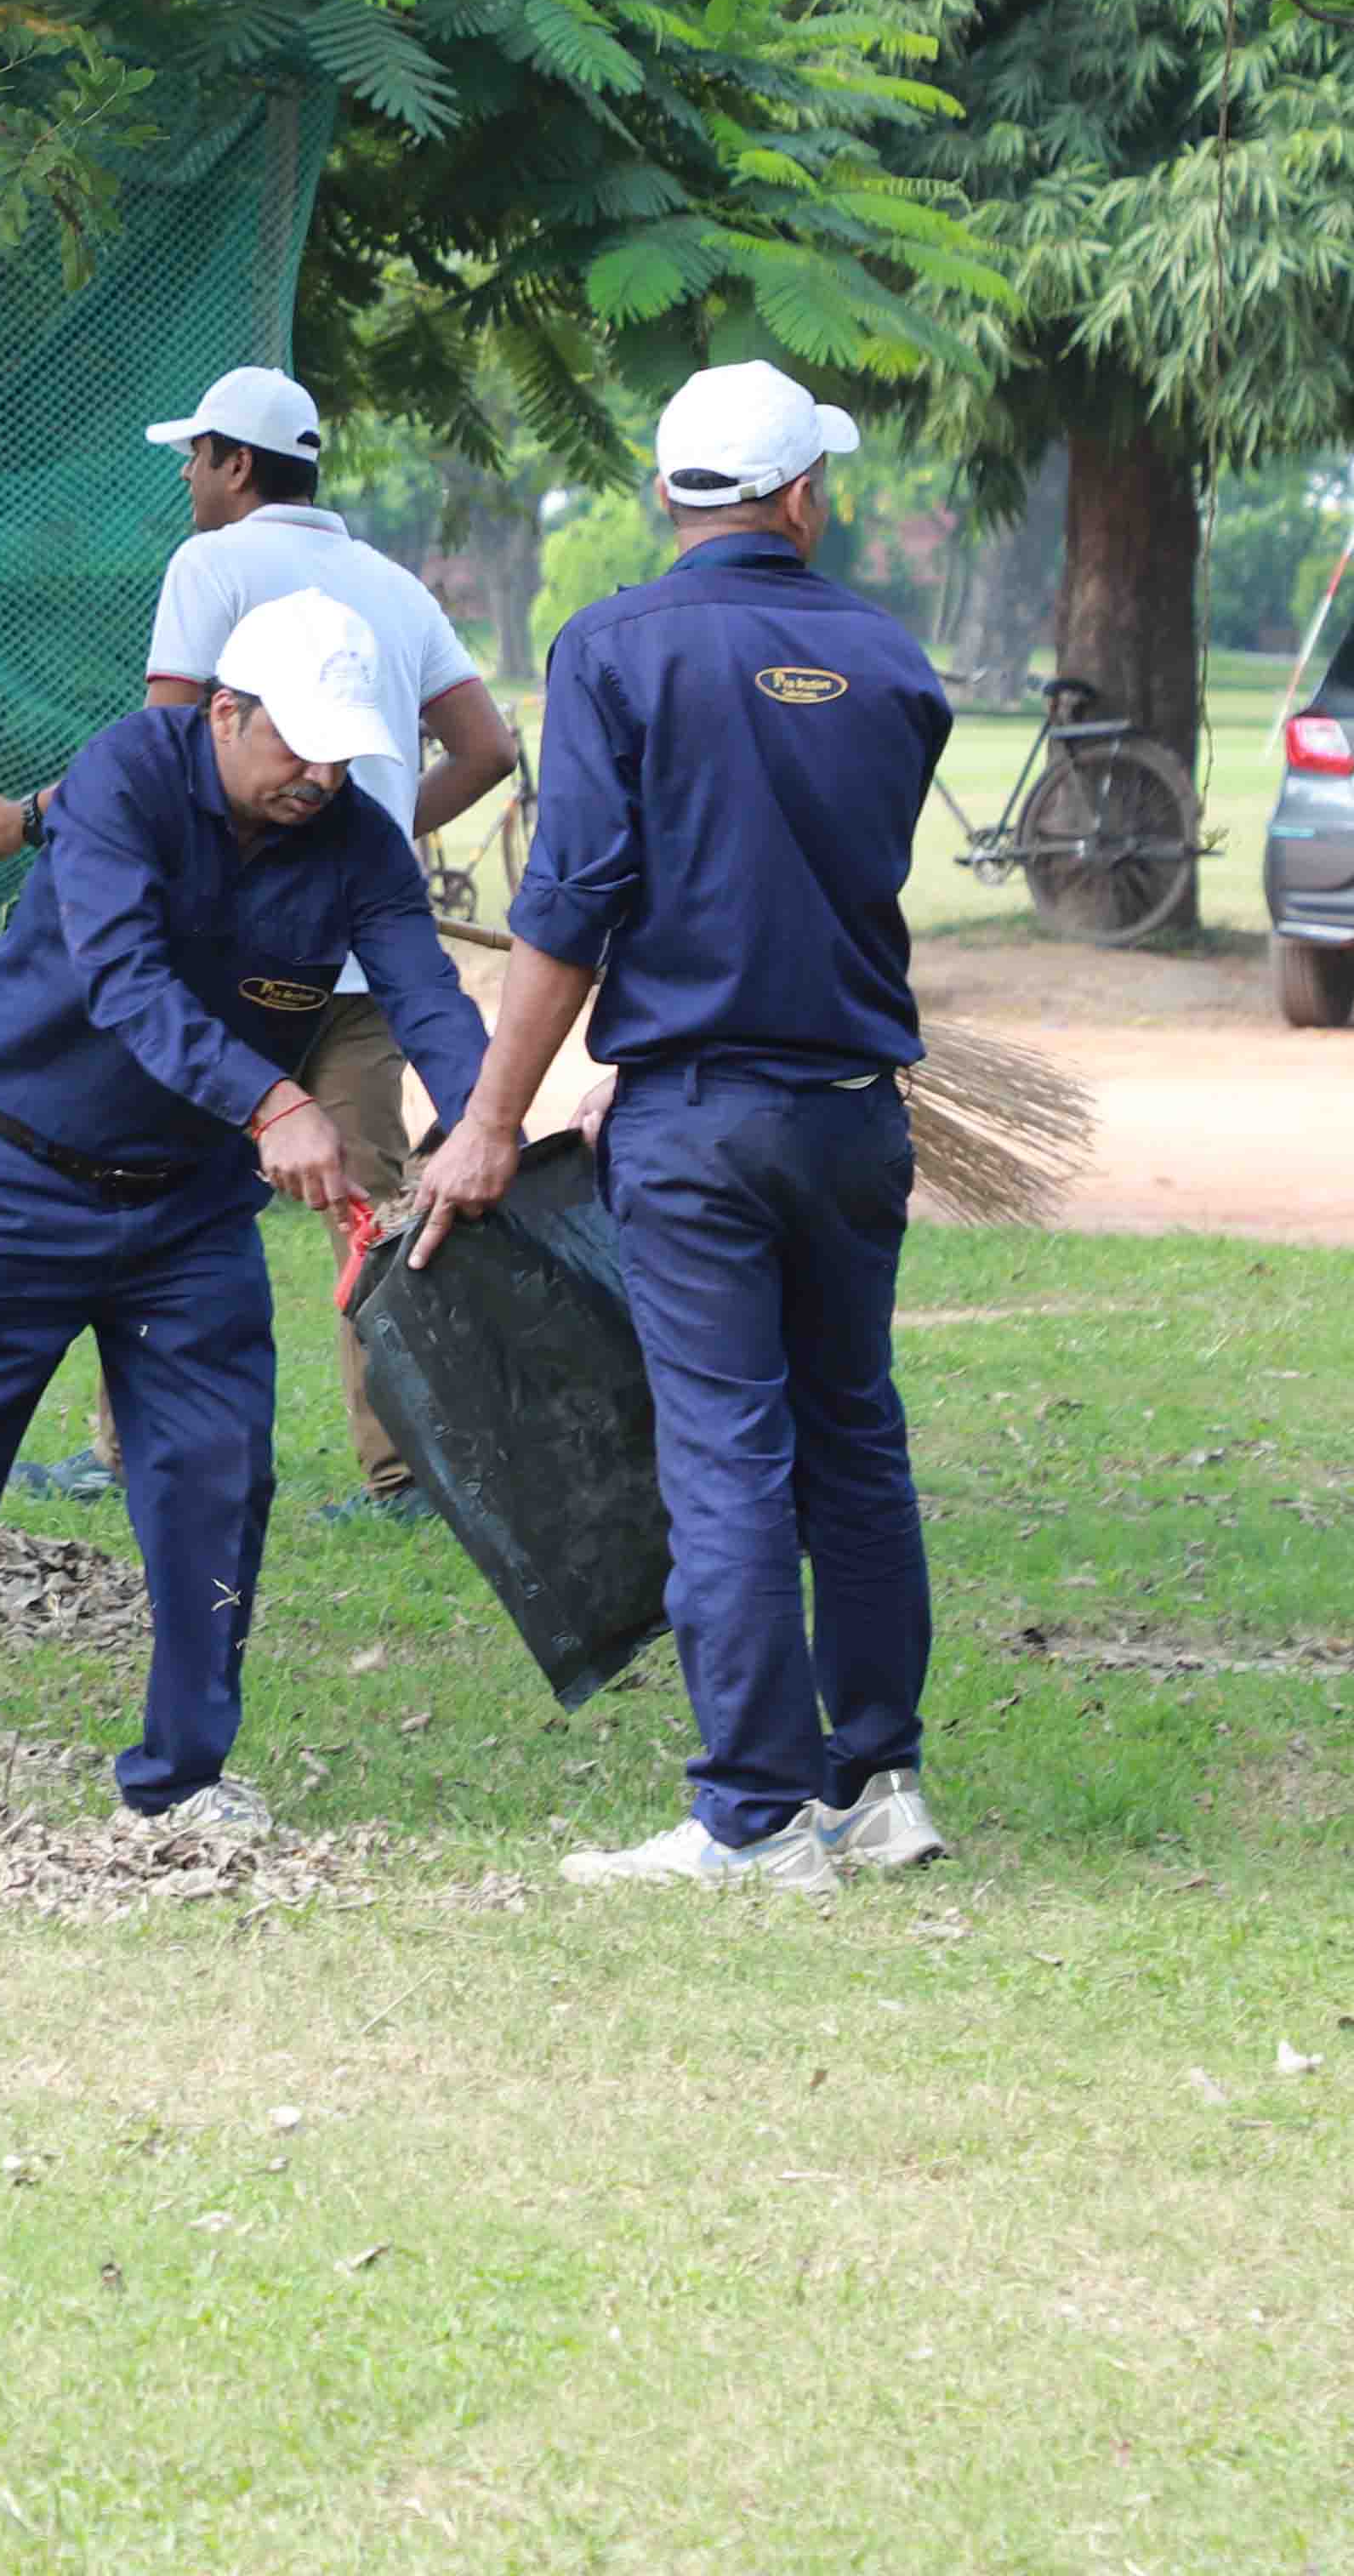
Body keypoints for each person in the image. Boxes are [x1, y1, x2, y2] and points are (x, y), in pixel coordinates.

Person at [0, 589, 493, 1849]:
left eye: (344, 755)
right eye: (298, 745)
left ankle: (183, 1777)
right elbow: (124, 977)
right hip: (10, 1181)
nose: (322, 776)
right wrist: (276, 1100)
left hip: (188, 1213)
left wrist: (488, 1121)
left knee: (216, 1483)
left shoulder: (355, 838)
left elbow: (426, 991)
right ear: (226, 713)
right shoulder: (123, 777)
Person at [408, 362, 953, 1892]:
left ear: (668, 495)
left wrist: (492, 1119)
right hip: (851, 1120)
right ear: (802, 499)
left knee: (727, 1456)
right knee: (855, 1441)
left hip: (699, 1127)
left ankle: (756, 1820)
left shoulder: (615, 648)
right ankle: (879, 1785)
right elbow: (806, 877)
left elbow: (573, 903)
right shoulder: (895, 662)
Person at [0, 363, 522, 1521]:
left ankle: (130, 1455)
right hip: (347, 980)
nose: (186, 477)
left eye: (195, 456)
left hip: (221, 975)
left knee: (156, 1171)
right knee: (377, 1210)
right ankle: (402, 1475)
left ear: (236, 463)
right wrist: (363, 847)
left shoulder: (209, 564)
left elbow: (156, 761)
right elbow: (488, 749)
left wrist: (25, 821)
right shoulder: (394, 584)